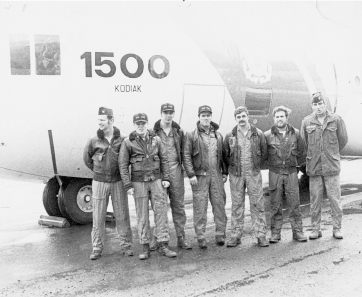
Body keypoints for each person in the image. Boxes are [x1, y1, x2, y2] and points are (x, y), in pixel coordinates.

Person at [119, 113, 177, 259]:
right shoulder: (128, 142)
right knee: (142, 215)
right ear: (133, 125)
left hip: (156, 180)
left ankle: (163, 244)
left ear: (147, 124)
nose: (140, 126)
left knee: (161, 211)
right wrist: (128, 185)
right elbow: (123, 165)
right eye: (138, 123)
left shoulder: (156, 139)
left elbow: (164, 159)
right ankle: (145, 246)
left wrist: (166, 178)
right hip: (139, 182)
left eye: (143, 123)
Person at [83, 107, 133, 260]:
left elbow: (128, 159)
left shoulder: (123, 139)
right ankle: (97, 248)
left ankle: (126, 247)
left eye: (102, 120)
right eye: (98, 120)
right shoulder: (93, 140)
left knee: (122, 215)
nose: (100, 123)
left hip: (117, 182)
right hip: (100, 182)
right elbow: (87, 159)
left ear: (111, 120)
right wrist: (99, 171)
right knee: (98, 216)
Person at [301, 92, 348, 240]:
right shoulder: (307, 122)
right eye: (315, 104)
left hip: (331, 167)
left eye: (320, 104)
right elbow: (304, 143)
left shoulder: (336, 119)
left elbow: (343, 139)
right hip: (314, 167)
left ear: (324, 104)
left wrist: (331, 153)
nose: (318, 107)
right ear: (312, 106)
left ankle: (337, 229)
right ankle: (315, 229)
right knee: (315, 200)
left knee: (335, 199)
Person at [223, 106, 269, 247]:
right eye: (238, 117)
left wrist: (255, 167)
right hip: (236, 174)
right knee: (237, 205)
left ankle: (261, 235)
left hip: (253, 173)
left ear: (247, 116)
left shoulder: (258, 134)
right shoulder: (230, 136)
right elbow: (225, 155)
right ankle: (235, 235)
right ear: (235, 119)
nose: (241, 119)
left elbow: (264, 152)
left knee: (257, 204)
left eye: (243, 116)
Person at [183, 105, 228, 249]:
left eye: (208, 115)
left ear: (211, 117)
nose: (206, 118)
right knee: (200, 208)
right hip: (200, 176)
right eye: (203, 115)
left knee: (219, 205)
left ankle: (220, 234)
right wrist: (190, 174)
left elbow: (222, 156)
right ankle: (201, 237)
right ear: (199, 117)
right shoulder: (191, 135)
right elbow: (186, 156)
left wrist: (225, 172)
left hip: (216, 175)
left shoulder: (218, 135)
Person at [150, 103, 191, 250]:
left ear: (173, 114)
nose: (168, 115)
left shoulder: (179, 132)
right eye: (165, 112)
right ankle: (158, 237)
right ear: (161, 113)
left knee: (178, 206)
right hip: (159, 173)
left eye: (170, 112)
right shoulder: (153, 132)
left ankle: (181, 237)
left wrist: (188, 172)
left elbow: (185, 153)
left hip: (176, 171)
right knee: (159, 207)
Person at [264, 106, 307, 243]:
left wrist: (293, 164)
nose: (279, 119)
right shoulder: (267, 135)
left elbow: (301, 151)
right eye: (277, 117)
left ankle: (298, 232)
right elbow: (264, 154)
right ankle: (275, 234)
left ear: (286, 118)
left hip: (291, 172)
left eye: (282, 116)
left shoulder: (296, 133)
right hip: (274, 173)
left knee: (294, 203)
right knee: (275, 205)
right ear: (274, 119)